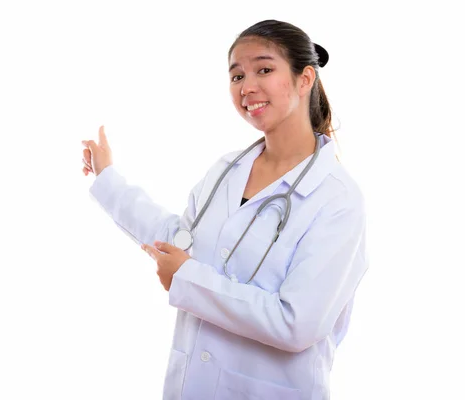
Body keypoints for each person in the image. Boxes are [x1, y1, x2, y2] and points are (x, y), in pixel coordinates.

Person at [81, 19, 367, 400]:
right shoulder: (226, 171)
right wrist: (108, 179)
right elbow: (180, 243)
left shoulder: (336, 198)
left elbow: (297, 323)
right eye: (236, 76)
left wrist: (188, 280)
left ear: (304, 79)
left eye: (264, 69)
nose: (247, 87)